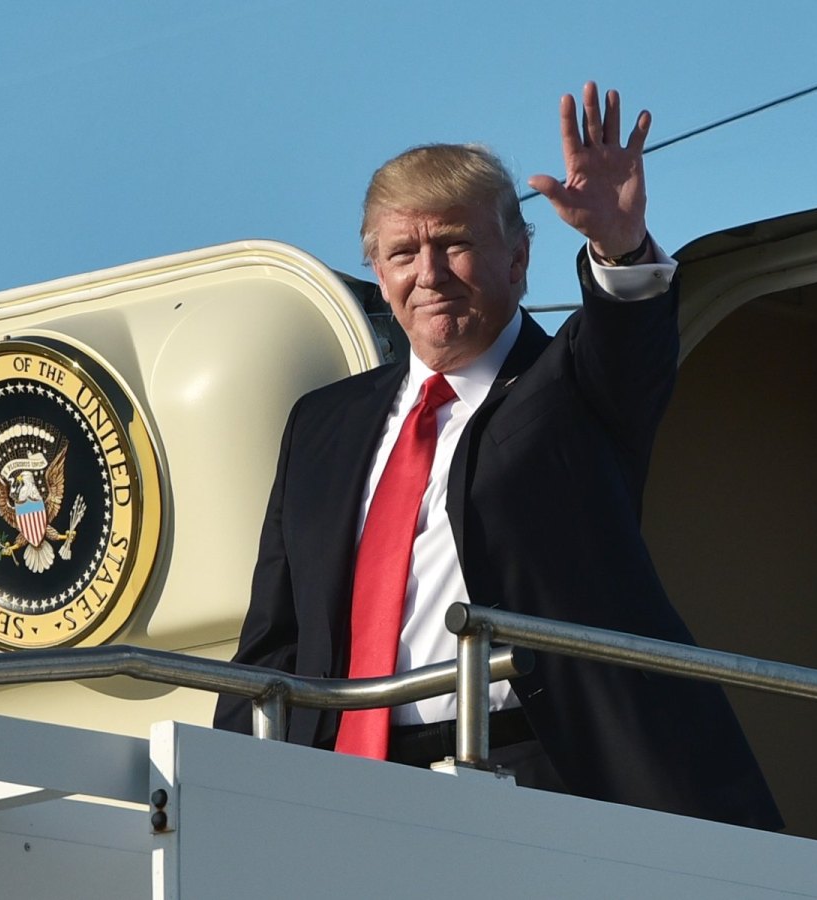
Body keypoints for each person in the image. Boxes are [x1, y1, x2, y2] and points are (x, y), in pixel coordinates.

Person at [214, 82, 782, 831]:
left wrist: (619, 244)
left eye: (455, 243)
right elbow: (274, 642)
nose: (430, 272)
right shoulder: (323, 425)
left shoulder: (574, 385)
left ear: (518, 259)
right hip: (349, 787)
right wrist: (222, 794)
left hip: (541, 771)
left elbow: (629, 340)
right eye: (403, 253)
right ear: (379, 276)